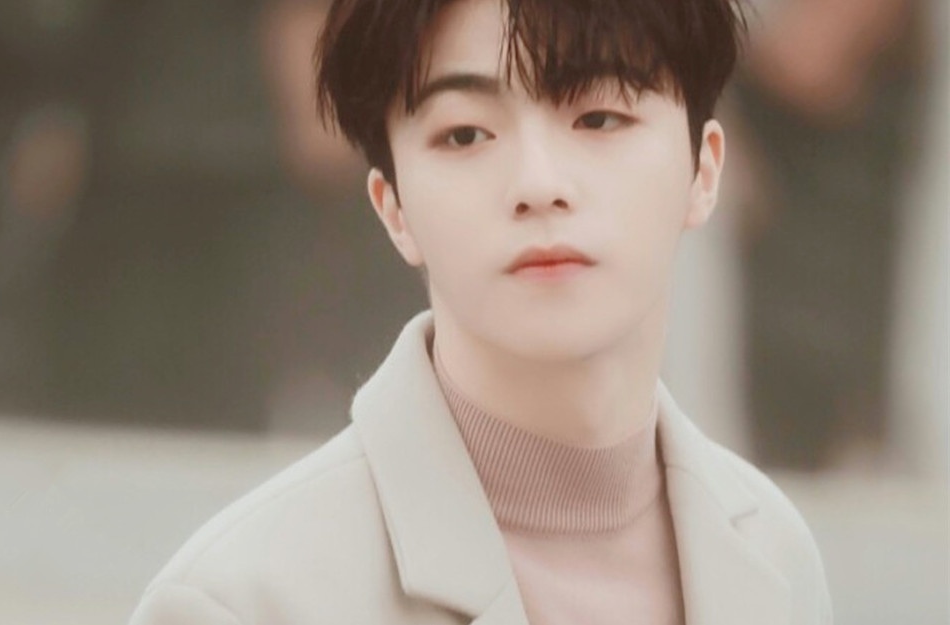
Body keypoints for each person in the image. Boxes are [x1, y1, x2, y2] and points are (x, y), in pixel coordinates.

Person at [130, 0, 832, 622]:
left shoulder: (772, 554)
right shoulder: (244, 602)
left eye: (598, 117)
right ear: (393, 207)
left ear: (704, 168)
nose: (539, 184)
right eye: (465, 134)